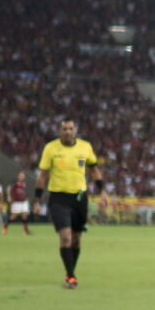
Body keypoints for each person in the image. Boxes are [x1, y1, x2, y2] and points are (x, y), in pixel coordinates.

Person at [36, 118, 100, 288]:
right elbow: (43, 175)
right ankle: (71, 277)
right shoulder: (51, 148)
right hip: (58, 198)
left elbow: (94, 169)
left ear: (75, 130)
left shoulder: (85, 147)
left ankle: (69, 273)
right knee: (66, 237)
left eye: (70, 128)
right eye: (64, 128)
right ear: (59, 131)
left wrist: (103, 190)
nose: (67, 132)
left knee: (76, 240)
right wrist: (36, 199)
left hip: (79, 198)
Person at [9, 171, 31, 236]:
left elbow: (24, 192)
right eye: (21, 175)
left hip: (23, 202)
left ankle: (26, 230)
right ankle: (5, 226)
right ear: (18, 176)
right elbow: (9, 188)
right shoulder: (15, 182)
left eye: (23, 175)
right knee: (14, 216)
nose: (22, 176)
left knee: (25, 215)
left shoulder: (24, 183)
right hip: (16, 202)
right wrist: (9, 196)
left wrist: (26, 197)